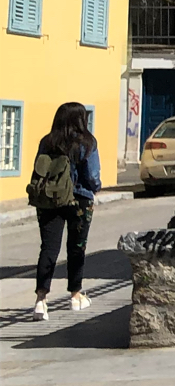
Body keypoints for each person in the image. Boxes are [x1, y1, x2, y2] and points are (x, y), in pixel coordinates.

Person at [28, 102, 101, 319]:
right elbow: (92, 175)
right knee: (77, 247)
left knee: (48, 249)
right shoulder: (87, 142)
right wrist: (96, 187)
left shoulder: (47, 142)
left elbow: (39, 169)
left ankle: (41, 301)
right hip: (80, 199)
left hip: (50, 199)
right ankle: (75, 295)